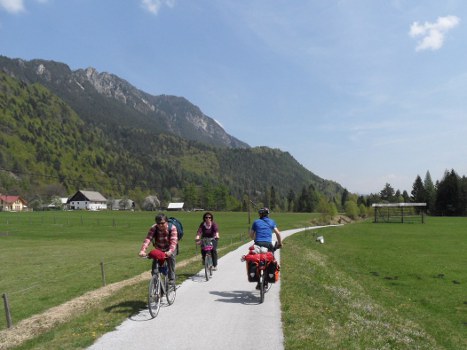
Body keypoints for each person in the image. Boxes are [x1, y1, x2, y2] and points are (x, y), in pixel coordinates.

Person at [249, 207, 282, 289]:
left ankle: (257, 280)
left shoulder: (256, 222)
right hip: (268, 244)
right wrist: (280, 243)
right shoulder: (271, 222)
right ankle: (267, 280)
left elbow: (251, 235)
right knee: (270, 260)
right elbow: (278, 233)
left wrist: (255, 238)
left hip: (258, 244)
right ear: (268, 214)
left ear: (260, 214)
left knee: (256, 260)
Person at [139, 213, 178, 282]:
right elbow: (148, 239)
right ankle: (155, 281)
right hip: (159, 248)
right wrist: (143, 250)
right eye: (158, 223)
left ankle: (171, 278)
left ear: (167, 222)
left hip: (170, 248)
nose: (160, 225)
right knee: (155, 267)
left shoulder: (172, 228)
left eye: (162, 223)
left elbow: (174, 241)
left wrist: (170, 251)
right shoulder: (154, 228)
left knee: (171, 260)